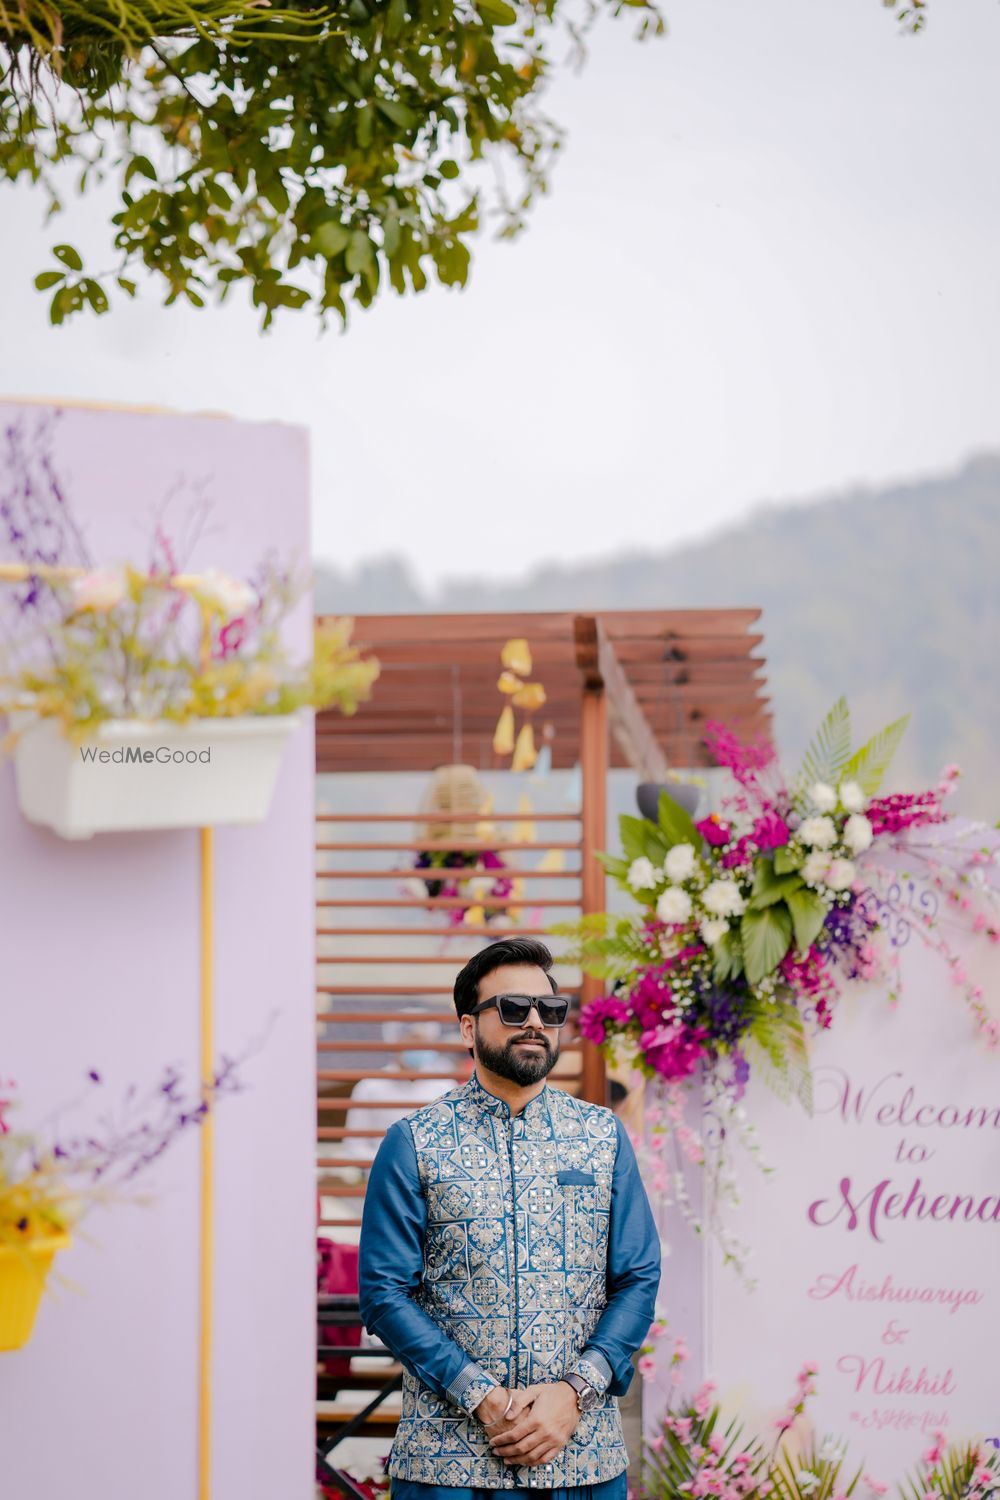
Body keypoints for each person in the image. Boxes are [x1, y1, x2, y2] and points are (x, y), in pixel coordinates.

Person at [358, 936, 661, 1500]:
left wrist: (574, 1394)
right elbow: (384, 1293)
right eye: (513, 1009)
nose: (534, 1024)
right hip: (450, 1463)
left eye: (549, 1010)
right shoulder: (415, 1142)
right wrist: (483, 1398)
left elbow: (638, 1278)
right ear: (469, 1028)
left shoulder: (600, 1137)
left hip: (581, 1457)